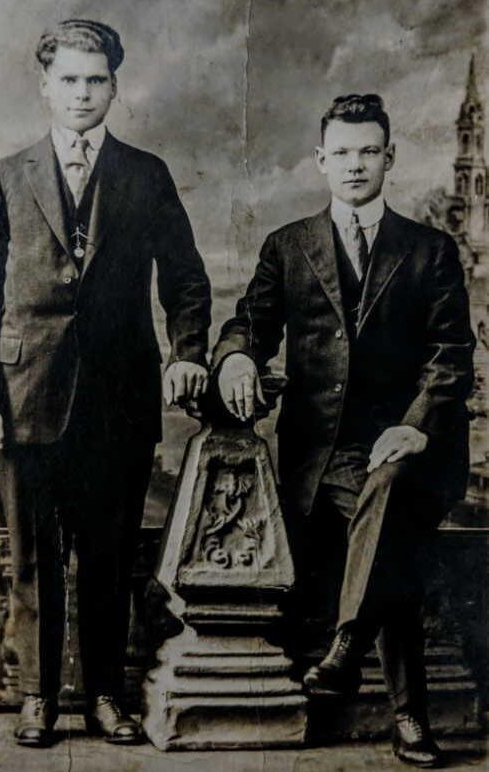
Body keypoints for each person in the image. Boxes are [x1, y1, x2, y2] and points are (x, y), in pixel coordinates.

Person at [0, 19, 211, 747]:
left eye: (95, 79)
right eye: (68, 79)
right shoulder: (6, 176)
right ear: (46, 86)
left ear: (114, 86)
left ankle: (106, 695)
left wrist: (189, 350)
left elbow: (188, 281)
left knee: (107, 555)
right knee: (33, 560)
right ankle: (38, 698)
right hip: (24, 398)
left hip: (120, 400)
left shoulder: (146, 174)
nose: (82, 93)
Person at [213, 94, 474, 768]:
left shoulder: (430, 250)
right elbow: (249, 322)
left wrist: (415, 428)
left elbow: (452, 359)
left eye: (369, 152)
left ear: (389, 158)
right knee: (385, 525)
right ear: (321, 160)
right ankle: (406, 713)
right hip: (319, 449)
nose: (356, 164)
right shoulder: (288, 245)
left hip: (412, 448)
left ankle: (350, 650)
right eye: (343, 152)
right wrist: (239, 354)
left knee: (386, 493)